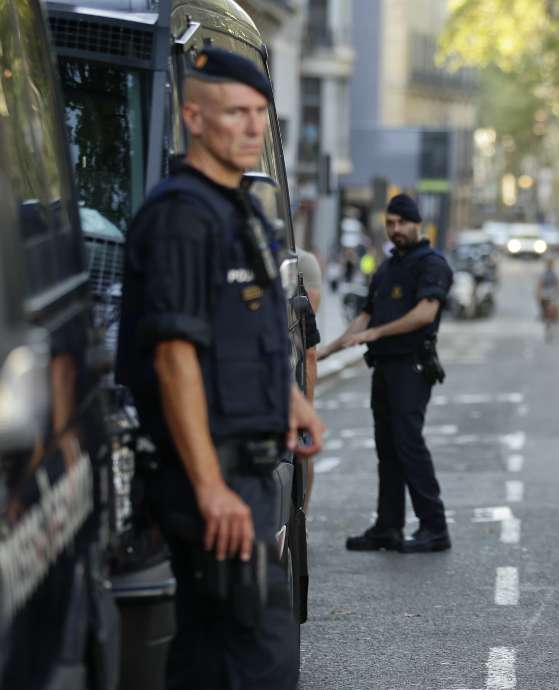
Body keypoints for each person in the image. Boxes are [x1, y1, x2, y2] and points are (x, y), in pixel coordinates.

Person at [115, 48, 326, 690]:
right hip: (211, 473)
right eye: (235, 113)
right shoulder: (181, 216)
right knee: (256, 653)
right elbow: (175, 356)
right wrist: (209, 487)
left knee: (212, 652)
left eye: (261, 114)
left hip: (250, 467)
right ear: (194, 119)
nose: (252, 127)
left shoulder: (243, 213)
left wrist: (292, 402)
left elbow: (253, 332)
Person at [319, 194, 454, 553]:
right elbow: (365, 315)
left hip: (412, 366)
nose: (395, 230)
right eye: (390, 224)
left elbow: (425, 313)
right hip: (384, 368)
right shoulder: (387, 266)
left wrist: (376, 333)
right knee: (387, 449)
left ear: (416, 224)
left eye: (401, 223)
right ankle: (388, 526)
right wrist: (327, 350)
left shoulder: (431, 264)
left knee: (409, 445)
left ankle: (435, 527)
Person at [281, 250, 324, 511]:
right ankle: (300, 521)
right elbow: (308, 350)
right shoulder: (298, 262)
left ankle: (300, 520)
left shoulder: (303, 263)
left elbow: (308, 349)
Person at [536, 257, 559, 339]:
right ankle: (543, 314)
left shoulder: (556, 273)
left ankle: (557, 320)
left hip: (554, 292)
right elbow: (540, 284)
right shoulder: (544, 274)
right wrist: (539, 293)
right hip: (546, 292)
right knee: (542, 303)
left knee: (557, 307)